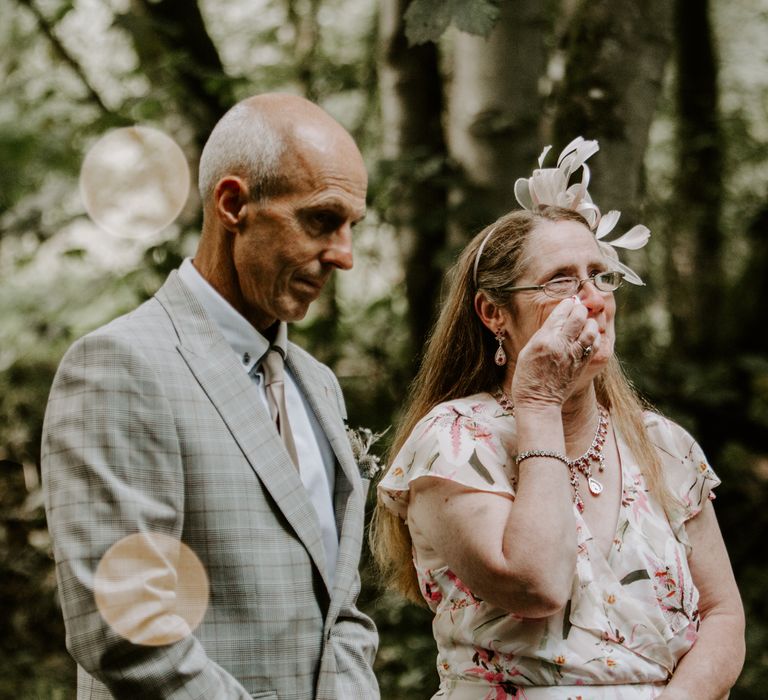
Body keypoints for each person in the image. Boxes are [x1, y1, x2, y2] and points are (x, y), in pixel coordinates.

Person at [373, 138, 744, 699]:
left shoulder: (664, 444)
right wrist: (540, 402)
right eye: (562, 280)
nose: (592, 297)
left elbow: (723, 616)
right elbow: (537, 585)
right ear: (494, 312)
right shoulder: (453, 439)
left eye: (601, 275)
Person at [42, 93, 379, 700]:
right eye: (322, 220)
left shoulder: (319, 385)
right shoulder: (119, 365)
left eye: (352, 226)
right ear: (233, 204)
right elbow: (123, 627)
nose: (344, 255)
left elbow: (341, 611)